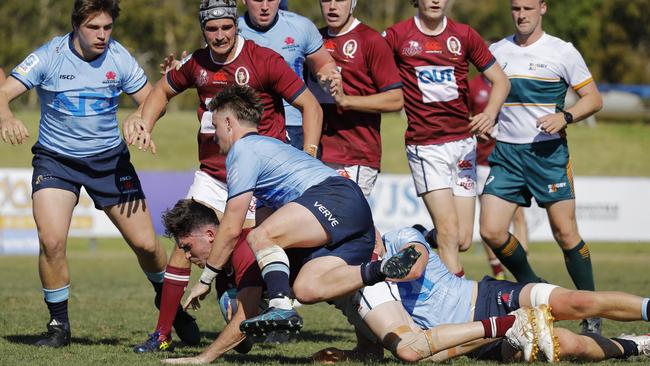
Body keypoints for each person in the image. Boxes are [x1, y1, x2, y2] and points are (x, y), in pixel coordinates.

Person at [127, 0, 324, 353]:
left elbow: (310, 105)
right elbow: (162, 90)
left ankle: (240, 309)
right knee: (183, 245)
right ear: (204, 31)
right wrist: (146, 123)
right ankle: (162, 334)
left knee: (246, 255)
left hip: (258, 180)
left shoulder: (264, 61)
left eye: (226, 28)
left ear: (236, 26)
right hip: (213, 175)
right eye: (212, 29)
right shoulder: (197, 64)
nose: (220, 35)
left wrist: (307, 153)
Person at [158, 199, 533, 365]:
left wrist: (205, 358)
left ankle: (506, 323)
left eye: (189, 248)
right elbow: (244, 334)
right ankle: (499, 336)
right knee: (382, 347)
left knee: (412, 350)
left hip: (359, 278)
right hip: (342, 287)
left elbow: (242, 327)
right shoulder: (234, 255)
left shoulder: (244, 251)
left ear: (211, 234)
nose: (187, 257)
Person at [183, 85, 420, 338]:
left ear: (229, 123)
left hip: (333, 196)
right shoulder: (271, 151)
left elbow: (231, 227)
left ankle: (280, 306)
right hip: (351, 210)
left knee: (260, 237)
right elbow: (269, 222)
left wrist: (206, 279)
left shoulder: (242, 150)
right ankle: (380, 269)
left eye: (215, 126)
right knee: (305, 289)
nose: (214, 135)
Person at [0, 0, 172, 348]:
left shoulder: (119, 57)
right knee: (51, 241)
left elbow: (155, 98)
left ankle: (169, 306)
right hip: (56, 161)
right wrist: (6, 116)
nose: (102, 35)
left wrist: (141, 118)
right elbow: (3, 92)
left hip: (109, 162)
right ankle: (58, 327)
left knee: (146, 244)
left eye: (108, 28)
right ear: (76, 25)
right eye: (94, 28)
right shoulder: (49, 56)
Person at [314, 225, 650, 363]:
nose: (365, 238)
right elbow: (372, 350)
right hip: (474, 339)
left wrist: (377, 270)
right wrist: (345, 354)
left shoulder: (400, 237)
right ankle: (637, 344)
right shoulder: (361, 287)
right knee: (566, 345)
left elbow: (414, 265)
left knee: (576, 302)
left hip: (488, 297)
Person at [479, 0, 604, 334]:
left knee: (565, 233)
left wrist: (564, 116)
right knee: (491, 230)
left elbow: (594, 98)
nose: (521, 14)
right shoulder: (496, 50)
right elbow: (483, 96)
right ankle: (534, 286)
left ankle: (590, 312)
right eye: (516, 8)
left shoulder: (562, 52)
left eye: (528, 8)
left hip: (548, 156)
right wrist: (486, 118)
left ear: (543, 9)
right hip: (506, 154)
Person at [384, 0, 510, 276]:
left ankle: (418, 238)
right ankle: (460, 307)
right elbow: (370, 63)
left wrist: (490, 113)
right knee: (450, 234)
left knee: (463, 239)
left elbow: (501, 81)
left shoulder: (464, 35)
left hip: (464, 147)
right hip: (425, 146)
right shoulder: (397, 36)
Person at [310, 0, 404, 197]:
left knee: (344, 221)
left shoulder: (371, 40)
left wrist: (346, 100)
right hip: (314, 153)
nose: (332, 6)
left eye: (340, 0)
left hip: (354, 155)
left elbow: (396, 99)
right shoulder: (312, 39)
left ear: (353, 3)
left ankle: (410, 231)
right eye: (326, 0)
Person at [238, 0, 337, 152]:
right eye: (258, 0)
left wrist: (329, 76)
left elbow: (324, 64)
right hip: (247, 126)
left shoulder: (300, 27)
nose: (265, 7)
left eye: (271, 0)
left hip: (295, 125)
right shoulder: (231, 31)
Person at [468, 72, 529, 279]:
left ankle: (523, 268)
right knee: (488, 221)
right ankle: (498, 272)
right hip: (482, 163)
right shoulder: (473, 86)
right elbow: (464, 117)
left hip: (509, 160)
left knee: (518, 215)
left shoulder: (510, 84)